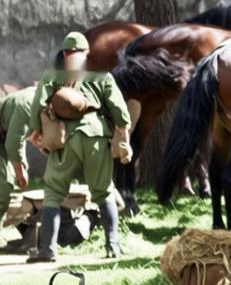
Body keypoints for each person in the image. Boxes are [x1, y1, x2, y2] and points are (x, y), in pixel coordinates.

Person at [27, 32, 132, 262]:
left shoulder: (53, 76)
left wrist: (36, 132)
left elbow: (37, 106)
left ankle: (48, 250)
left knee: (53, 193)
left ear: (65, 54)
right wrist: (123, 133)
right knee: (104, 191)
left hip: (66, 138)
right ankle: (113, 246)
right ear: (86, 54)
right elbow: (119, 109)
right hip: (96, 135)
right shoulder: (102, 77)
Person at [0, 86, 36, 225]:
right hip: (4, 139)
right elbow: (13, 143)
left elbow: (19, 136)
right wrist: (20, 171)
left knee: (5, 186)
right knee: (3, 188)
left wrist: (22, 166)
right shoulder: (28, 104)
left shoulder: (36, 99)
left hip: (3, 137)